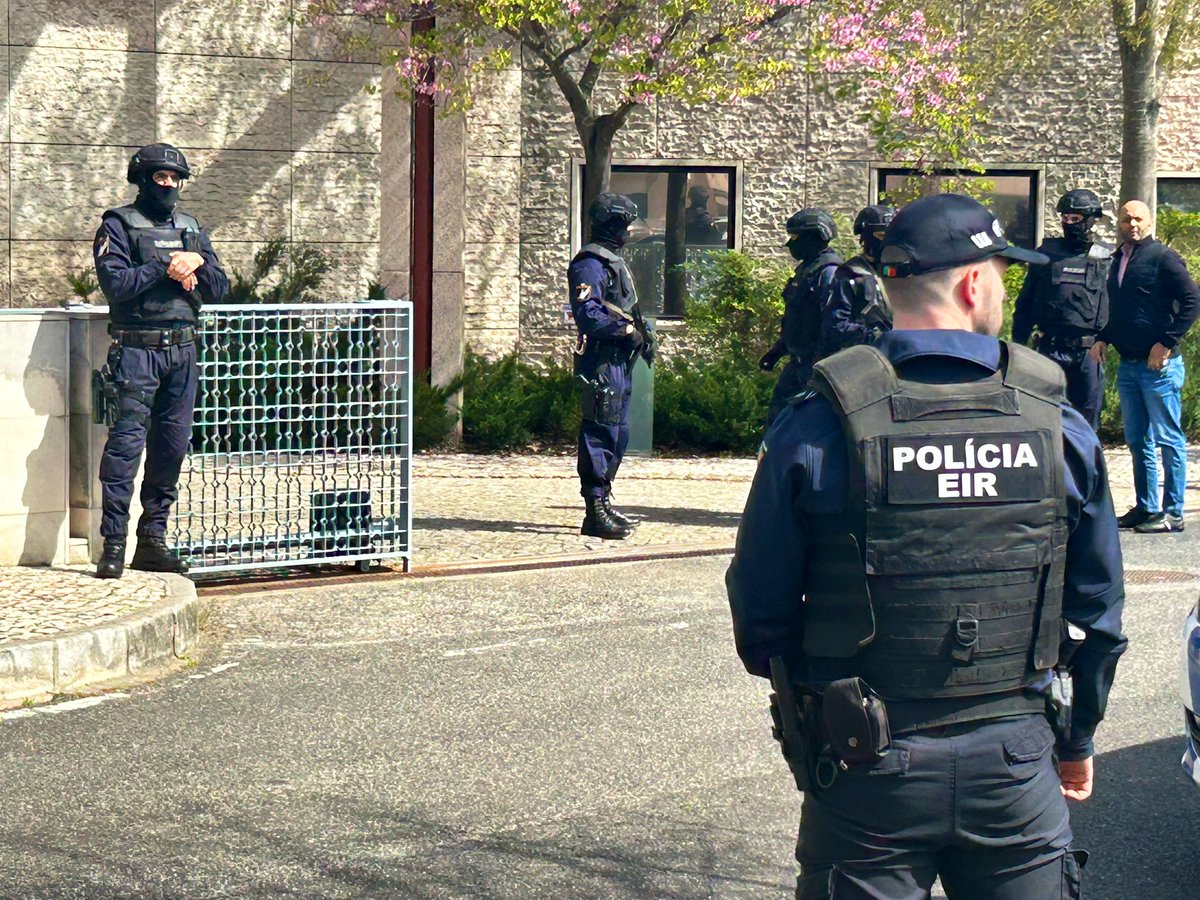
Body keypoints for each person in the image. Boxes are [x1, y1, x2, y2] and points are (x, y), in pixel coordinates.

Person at [728, 193, 1126, 899]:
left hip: (863, 763)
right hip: (1016, 761)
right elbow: (1097, 613)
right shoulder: (1054, 422)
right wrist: (1077, 739)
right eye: (1003, 274)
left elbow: (760, 613)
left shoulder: (821, 422)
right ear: (976, 283)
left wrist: (818, 707)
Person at [93, 143, 229, 578]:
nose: (168, 184)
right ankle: (113, 543)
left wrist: (198, 261)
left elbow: (220, 289)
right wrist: (167, 265)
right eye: (160, 177)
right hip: (136, 351)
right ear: (142, 179)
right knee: (126, 448)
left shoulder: (190, 227)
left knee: (170, 449)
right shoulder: (118, 224)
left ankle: (152, 542)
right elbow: (115, 285)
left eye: (174, 178)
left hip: (182, 352)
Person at [1090, 199, 1200, 533]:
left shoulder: (1163, 258)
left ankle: (1173, 513)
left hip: (1160, 368)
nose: (1132, 224)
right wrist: (1103, 337)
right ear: (1118, 224)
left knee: (1168, 439)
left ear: (1149, 222)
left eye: (1138, 219)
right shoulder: (1117, 259)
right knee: (1138, 440)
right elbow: (1121, 307)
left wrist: (1165, 342)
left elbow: (1193, 300)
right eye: (1126, 219)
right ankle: (1146, 507)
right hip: (1129, 366)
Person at [569, 192, 656, 540]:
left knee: (618, 433)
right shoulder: (589, 264)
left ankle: (604, 502)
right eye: (626, 223)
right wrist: (626, 330)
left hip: (619, 360)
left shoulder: (611, 261)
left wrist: (641, 334)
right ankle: (594, 511)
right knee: (600, 431)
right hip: (602, 360)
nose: (630, 230)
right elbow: (588, 314)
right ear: (614, 224)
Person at [1012, 189, 1113, 430]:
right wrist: (1017, 345)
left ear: (1090, 220)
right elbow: (1026, 302)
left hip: (1088, 354)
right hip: (1051, 348)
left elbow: (1116, 305)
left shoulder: (1106, 258)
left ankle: (1085, 467)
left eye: (1075, 219)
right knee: (1047, 418)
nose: (1069, 224)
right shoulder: (1046, 255)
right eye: (1065, 218)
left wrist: (1111, 340)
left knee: (1087, 424)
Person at [759, 208, 845, 425]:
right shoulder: (807, 271)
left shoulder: (829, 273)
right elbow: (797, 320)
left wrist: (819, 367)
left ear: (815, 236)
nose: (791, 244)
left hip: (814, 367)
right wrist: (777, 351)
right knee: (777, 425)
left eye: (796, 237)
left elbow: (831, 325)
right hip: (796, 364)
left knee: (807, 426)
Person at [816, 203, 896, 358]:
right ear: (865, 236)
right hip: (862, 360)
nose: (887, 242)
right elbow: (836, 326)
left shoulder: (902, 272)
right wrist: (875, 337)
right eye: (881, 235)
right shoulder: (850, 274)